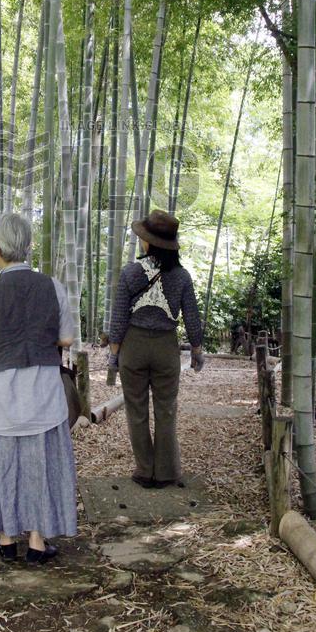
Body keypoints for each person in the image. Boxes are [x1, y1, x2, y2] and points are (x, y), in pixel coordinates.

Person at [0, 212, 77, 564]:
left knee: (1, 465)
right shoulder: (53, 287)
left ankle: (5, 538)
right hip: (42, 391)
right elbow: (67, 339)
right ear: (28, 247)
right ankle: (37, 542)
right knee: (40, 466)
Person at [108, 209, 204, 489]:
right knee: (166, 410)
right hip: (165, 347)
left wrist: (114, 355)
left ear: (149, 243)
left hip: (134, 346)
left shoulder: (129, 272)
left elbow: (118, 319)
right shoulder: (182, 276)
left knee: (136, 410)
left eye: (143, 238)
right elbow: (192, 318)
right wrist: (197, 351)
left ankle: (144, 470)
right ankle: (166, 471)